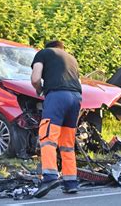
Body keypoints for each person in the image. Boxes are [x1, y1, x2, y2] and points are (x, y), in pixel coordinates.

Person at [30, 40, 82, 198]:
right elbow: (79, 82)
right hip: (76, 98)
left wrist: (39, 90)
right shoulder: (72, 59)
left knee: (47, 137)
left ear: (48, 47)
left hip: (57, 96)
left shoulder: (43, 53)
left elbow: (35, 78)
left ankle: (50, 177)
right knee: (67, 143)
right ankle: (70, 182)